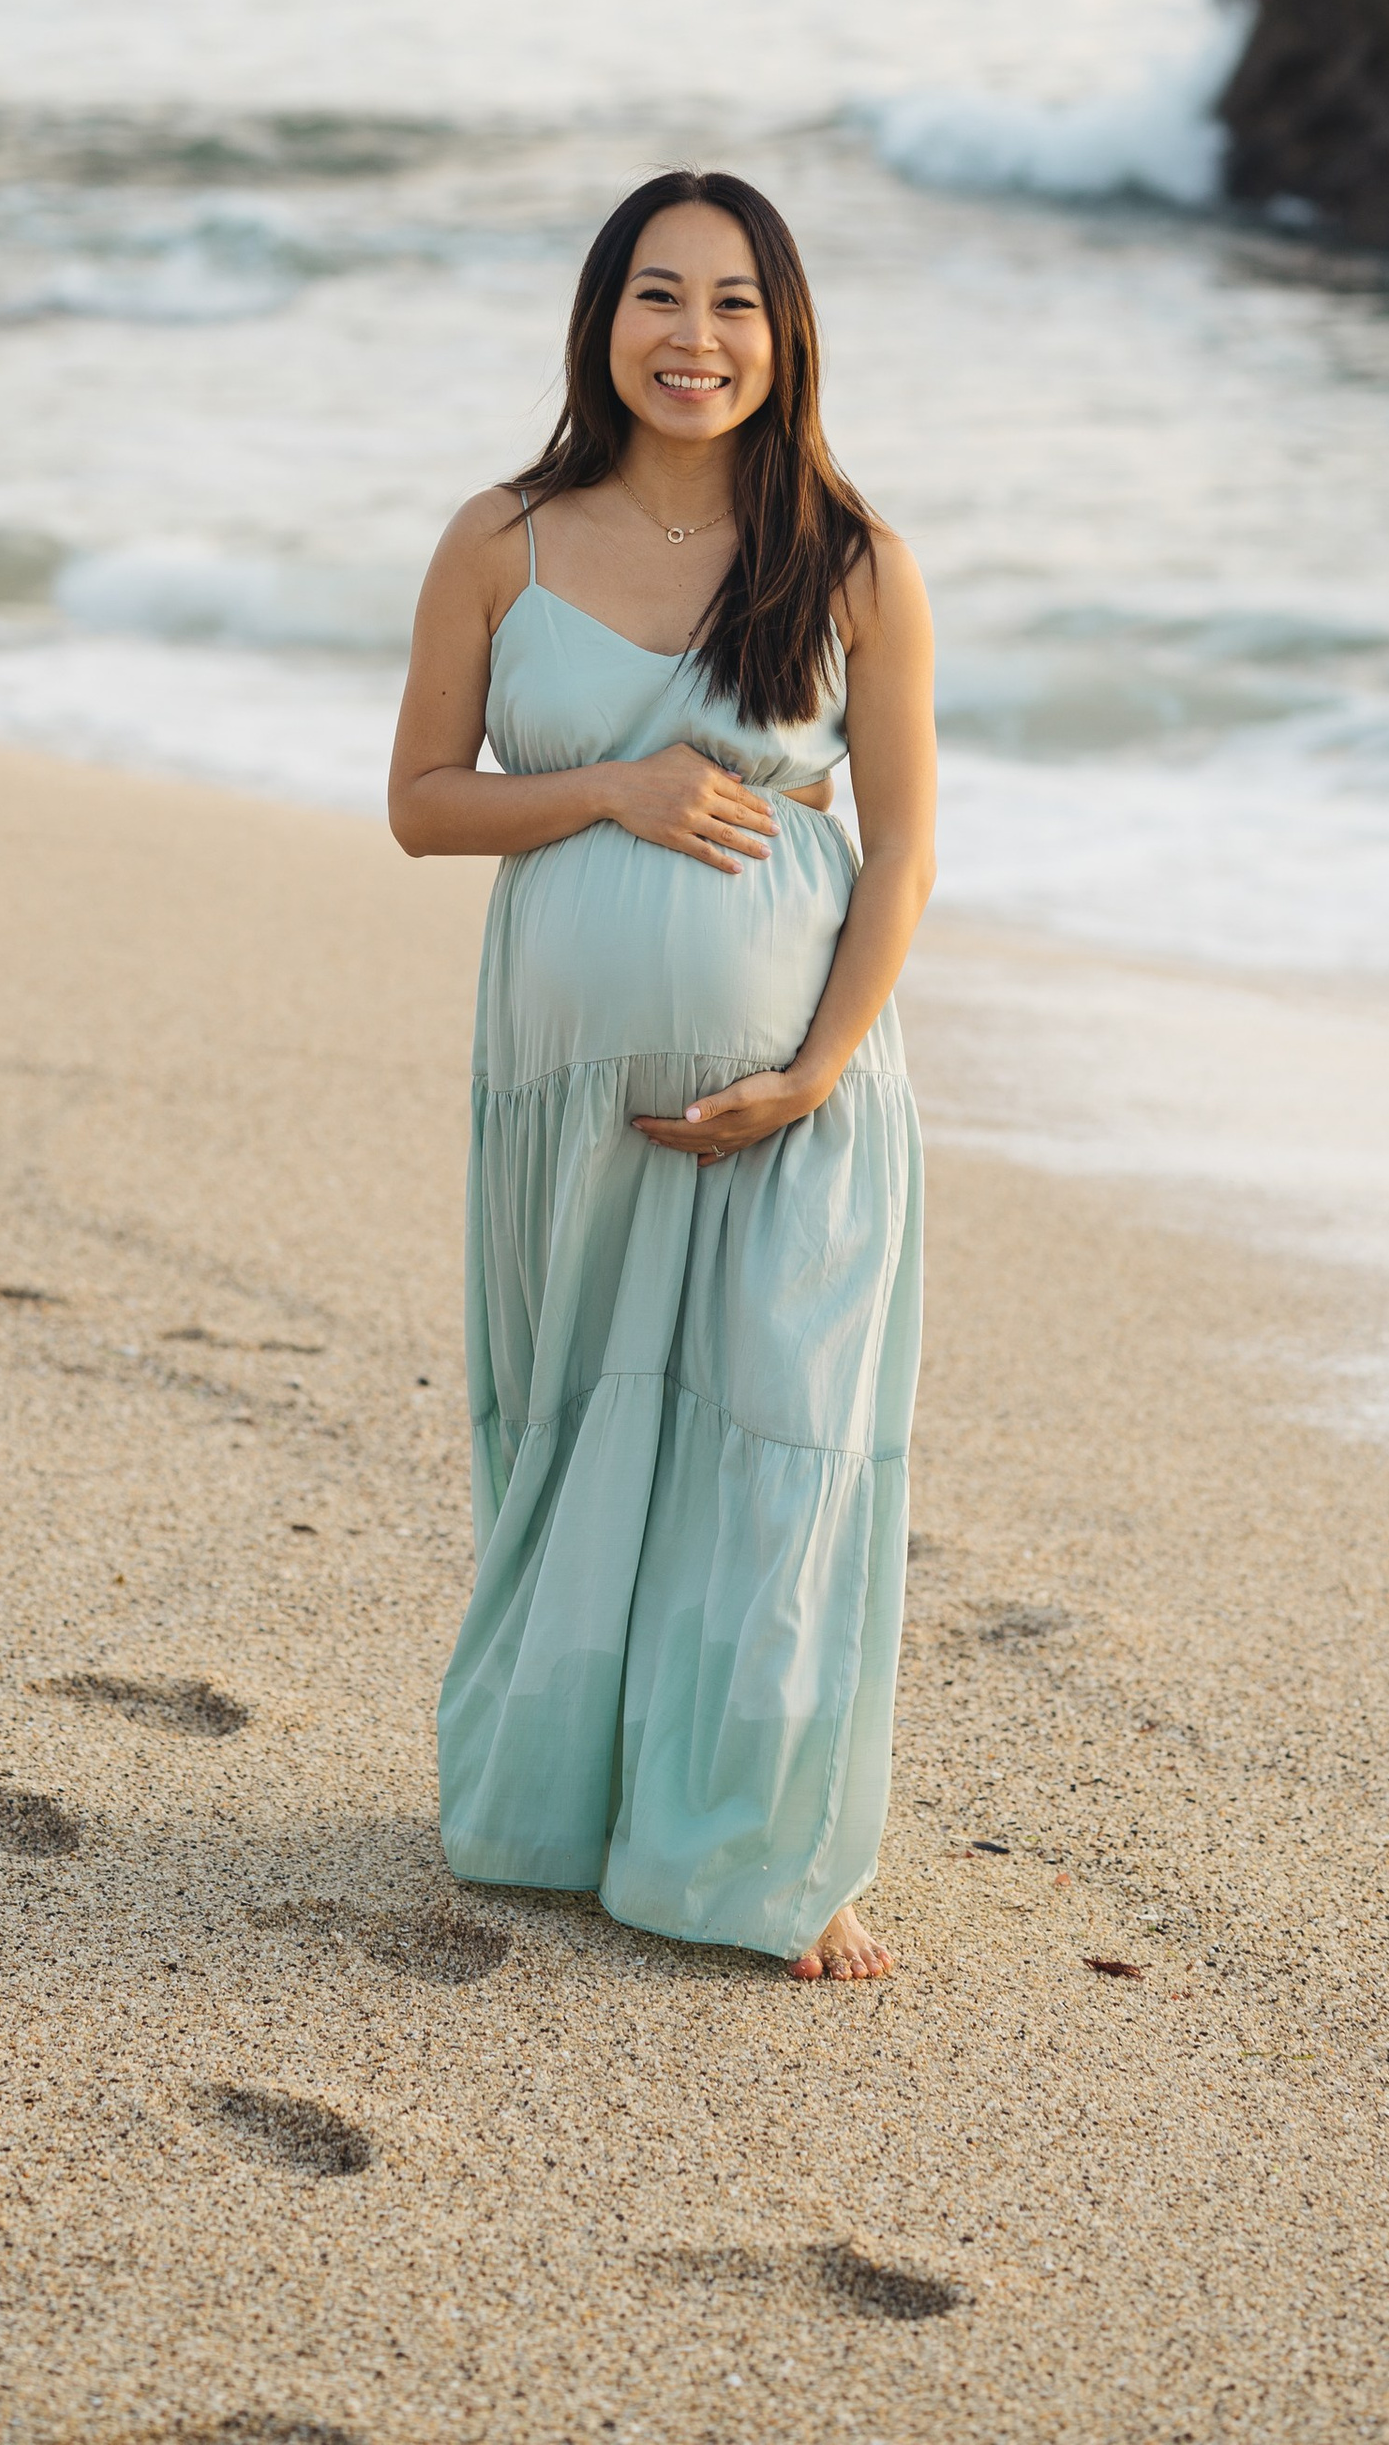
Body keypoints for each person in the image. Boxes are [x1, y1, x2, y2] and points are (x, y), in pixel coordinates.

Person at [388, 168, 936, 1982]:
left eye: (733, 305)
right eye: (656, 296)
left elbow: (909, 860)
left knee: (775, 1448)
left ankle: (769, 1852)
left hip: (794, 1091)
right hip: (562, 1086)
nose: (693, 339)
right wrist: (614, 790)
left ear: (785, 338)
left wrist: (812, 1074)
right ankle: (563, 1813)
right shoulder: (502, 540)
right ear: (599, 319)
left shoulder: (850, 560)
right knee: (580, 1436)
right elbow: (422, 805)